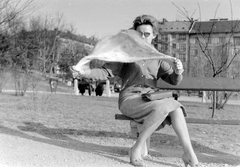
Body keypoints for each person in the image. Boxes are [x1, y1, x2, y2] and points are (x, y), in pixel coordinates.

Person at [71, 15, 199, 167]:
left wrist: (178, 72)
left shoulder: (158, 58)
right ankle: (137, 148)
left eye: (147, 34)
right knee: (166, 106)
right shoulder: (126, 55)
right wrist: (85, 73)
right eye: (140, 34)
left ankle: (188, 153)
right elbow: (105, 72)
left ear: (154, 36)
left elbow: (174, 81)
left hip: (151, 99)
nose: (143, 37)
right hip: (130, 99)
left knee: (175, 107)